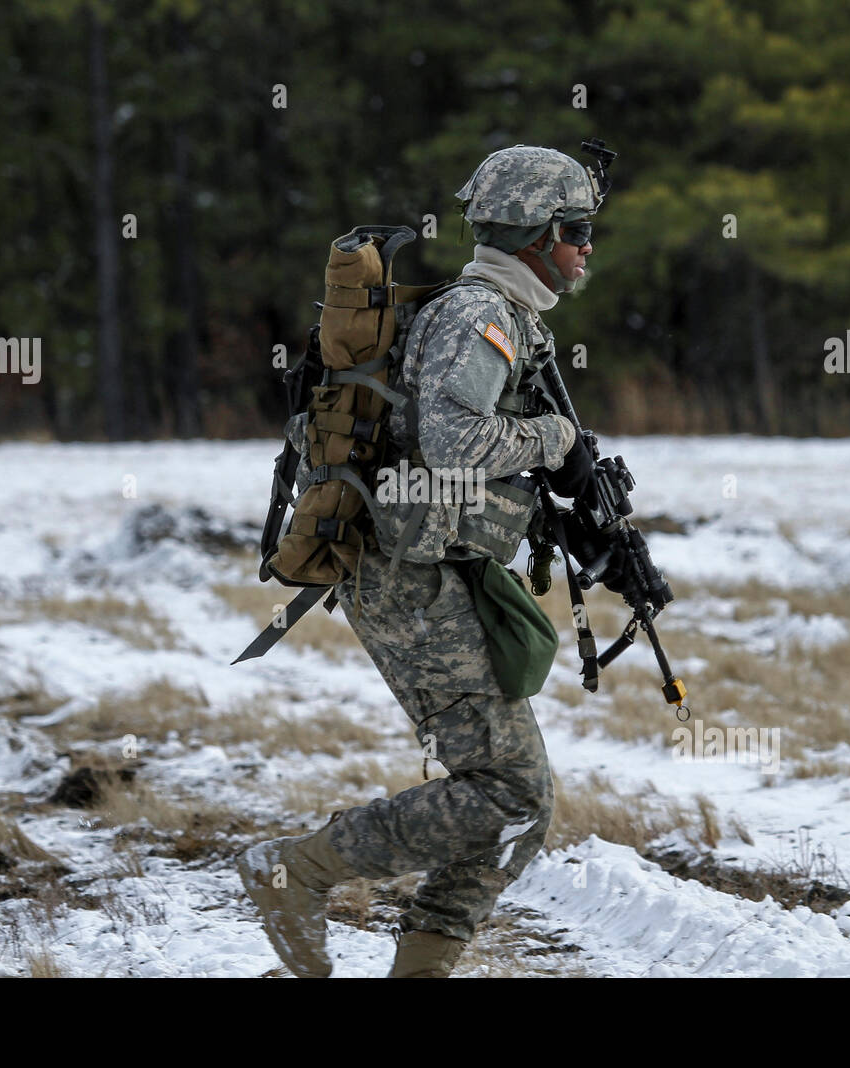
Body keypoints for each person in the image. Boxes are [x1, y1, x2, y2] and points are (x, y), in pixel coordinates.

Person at [238, 145, 602, 978]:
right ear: (537, 234)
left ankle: (419, 967)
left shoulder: (506, 313)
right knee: (509, 793)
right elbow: (452, 442)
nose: (588, 248)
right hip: (406, 575)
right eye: (577, 230)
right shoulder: (481, 314)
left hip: (435, 567)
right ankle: (296, 869)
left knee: (518, 803)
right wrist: (555, 440)